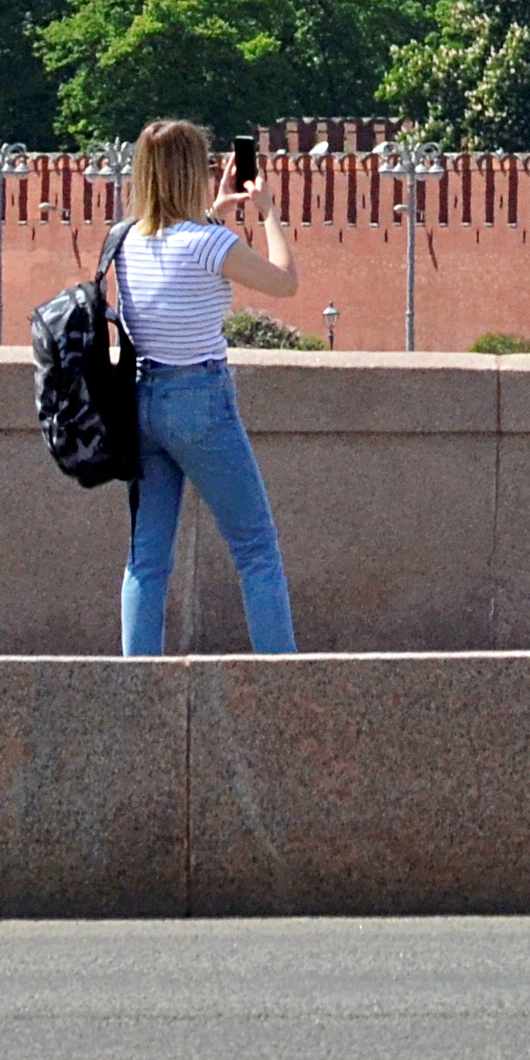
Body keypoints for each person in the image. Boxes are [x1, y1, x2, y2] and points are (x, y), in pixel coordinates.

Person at [111, 117, 303, 656]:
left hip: (142, 402)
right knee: (256, 550)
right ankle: (280, 678)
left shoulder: (126, 241)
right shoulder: (207, 244)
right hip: (200, 402)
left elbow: (177, 254)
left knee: (146, 558)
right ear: (192, 171)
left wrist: (214, 216)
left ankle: (138, 680)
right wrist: (267, 214)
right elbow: (285, 281)